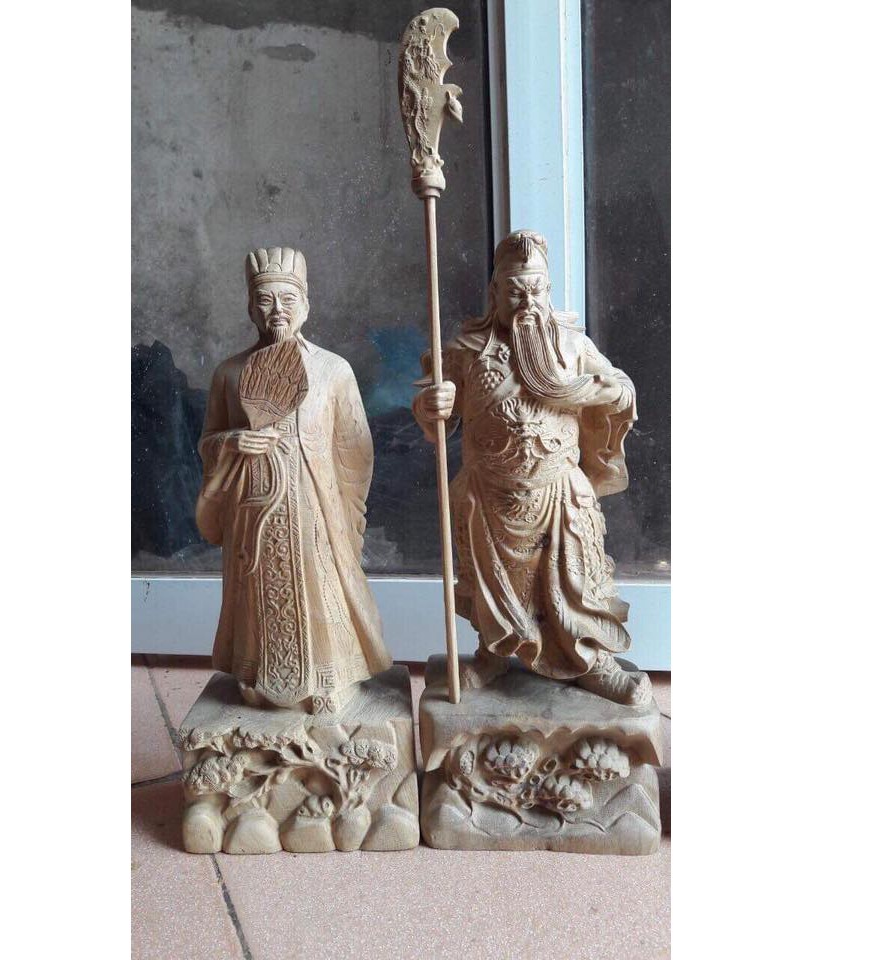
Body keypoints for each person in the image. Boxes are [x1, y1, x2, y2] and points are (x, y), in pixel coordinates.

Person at [413, 230, 651, 705]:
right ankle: (493, 652)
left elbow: (621, 387)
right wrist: (433, 404)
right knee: (494, 586)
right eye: (515, 290)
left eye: (536, 289)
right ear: (494, 293)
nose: (527, 301)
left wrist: (597, 391)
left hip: (558, 490)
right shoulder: (466, 349)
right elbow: (433, 411)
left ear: (549, 290)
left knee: (575, 581)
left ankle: (589, 658)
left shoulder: (571, 345)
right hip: (489, 493)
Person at [196, 246, 391, 714]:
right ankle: (259, 673)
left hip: (313, 503)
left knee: (319, 581)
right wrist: (231, 443)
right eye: (265, 300)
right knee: (257, 587)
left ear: (305, 304)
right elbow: (207, 442)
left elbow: (355, 447)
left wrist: (345, 507)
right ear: (251, 308)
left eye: (287, 299)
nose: (277, 310)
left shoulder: (332, 370)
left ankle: (329, 675)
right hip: (253, 506)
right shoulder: (230, 373)